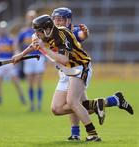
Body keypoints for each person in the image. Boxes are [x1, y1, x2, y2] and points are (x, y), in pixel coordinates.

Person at [12, 14, 103, 141]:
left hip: (80, 66)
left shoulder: (63, 34)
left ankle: (93, 135)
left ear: (47, 29)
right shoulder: (45, 34)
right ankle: (97, 104)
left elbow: (64, 59)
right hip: (68, 70)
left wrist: (44, 49)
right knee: (56, 109)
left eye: (39, 31)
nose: (37, 34)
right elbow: (34, 45)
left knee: (72, 102)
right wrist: (20, 55)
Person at [51, 7, 134, 140]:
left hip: (76, 69)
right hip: (64, 72)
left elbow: (81, 36)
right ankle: (113, 100)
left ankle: (88, 133)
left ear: (68, 20)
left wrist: (85, 33)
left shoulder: (73, 30)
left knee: (73, 103)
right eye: (55, 19)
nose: (57, 22)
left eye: (60, 19)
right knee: (73, 105)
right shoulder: (52, 32)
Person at [15, 10, 46, 111]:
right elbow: (16, 43)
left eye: (33, 17)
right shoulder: (23, 32)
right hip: (28, 58)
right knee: (30, 82)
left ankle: (39, 104)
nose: (31, 19)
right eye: (29, 17)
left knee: (38, 81)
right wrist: (17, 52)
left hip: (39, 57)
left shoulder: (41, 31)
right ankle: (32, 104)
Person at [0, 21, 26, 105]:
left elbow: (15, 49)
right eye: (1, 28)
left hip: (9, 60)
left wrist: (16, 55)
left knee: (15, 80)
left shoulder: (11, 39)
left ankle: (22, 97)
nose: (2, 30)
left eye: (4, 28)